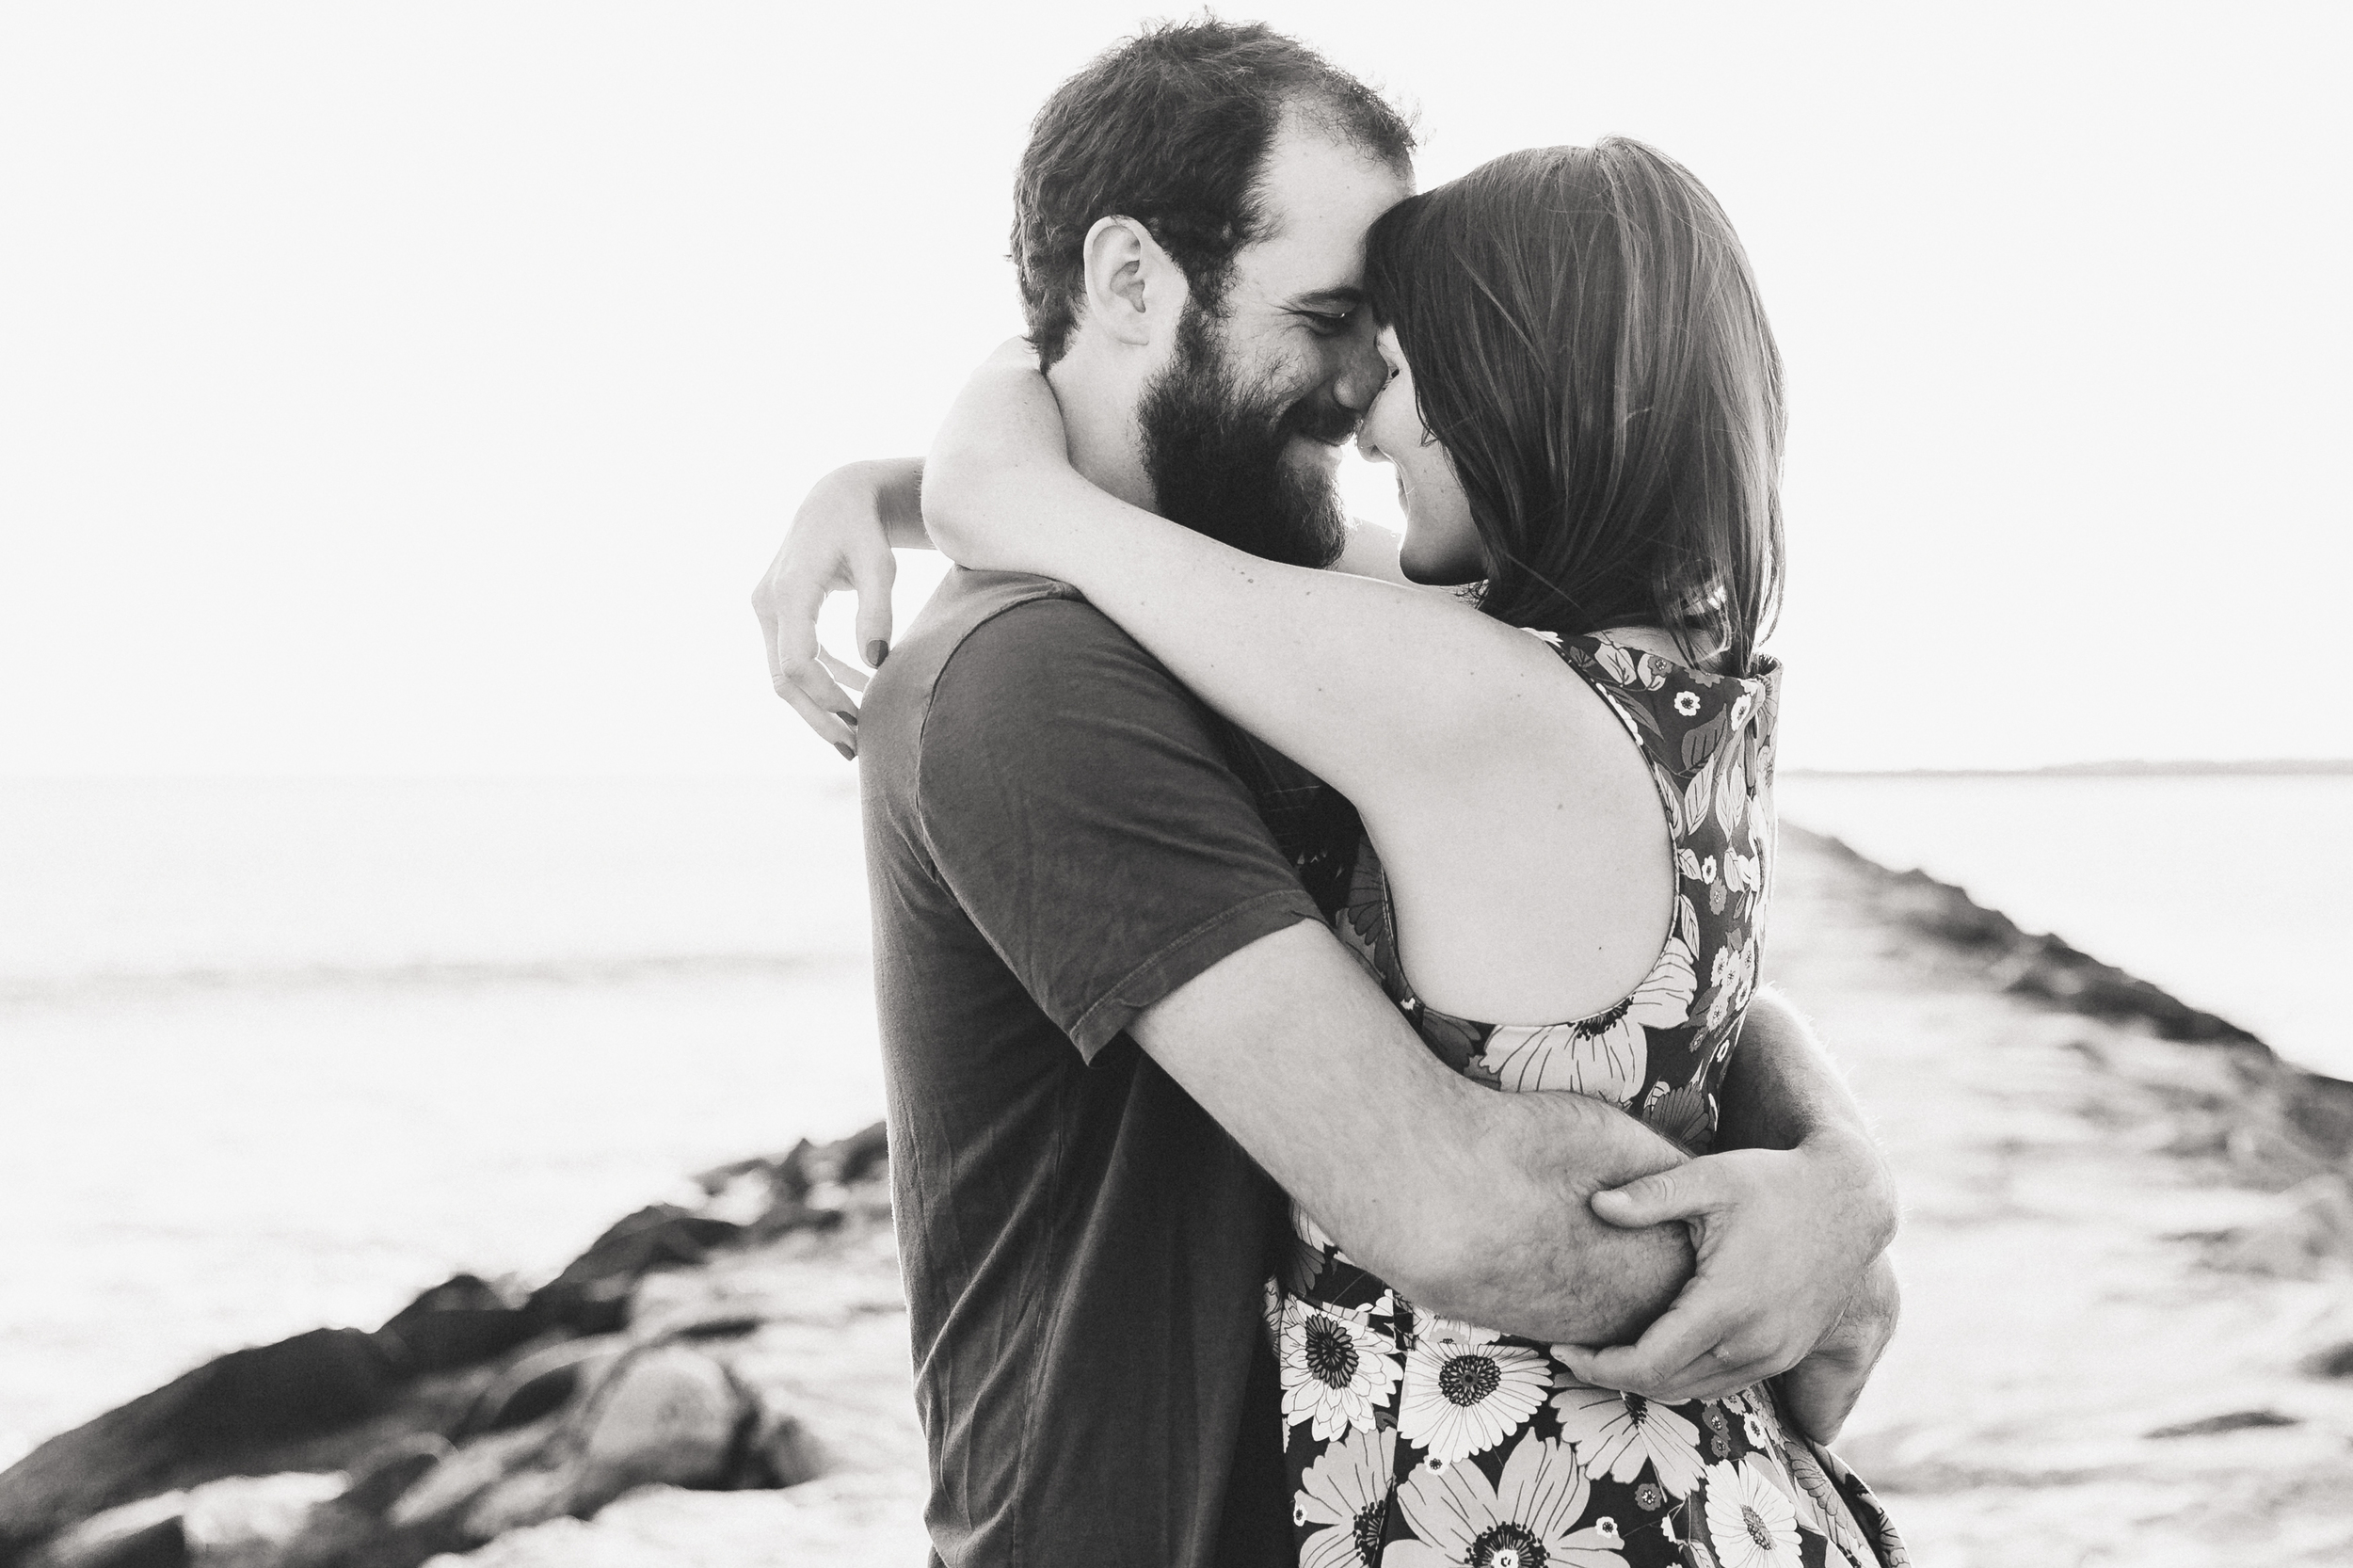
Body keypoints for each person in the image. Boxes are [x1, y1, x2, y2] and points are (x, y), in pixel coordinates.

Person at [754, 21, 1899, 1567]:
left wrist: (1836, 1172)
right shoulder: (1033, 682)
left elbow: (1620, 978)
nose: (1372, 390)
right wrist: (1796, 1254)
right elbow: (1464, 1209)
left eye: (1398, 334)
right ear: (1132, 281)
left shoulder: (1330, 625)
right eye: (1333, 315)